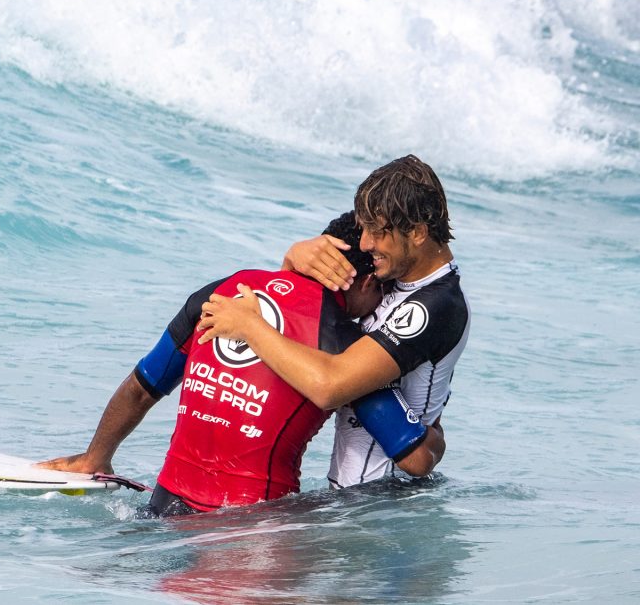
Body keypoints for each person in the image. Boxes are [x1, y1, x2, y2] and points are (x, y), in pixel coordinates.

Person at [41, 210, 442, 515]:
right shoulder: (344, 349)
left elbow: (142, 386)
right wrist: (432, 414)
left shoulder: (223, 291)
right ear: (368, 281)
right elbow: (416, 458)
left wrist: (95, 458)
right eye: (385, 291)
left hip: (163, 507)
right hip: (250, 528)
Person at [200, 155, 470, 488]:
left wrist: (249, 326)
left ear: (417, 233)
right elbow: (315, 320)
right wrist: (293, 259)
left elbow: (330, 386)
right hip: (355, 497)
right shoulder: (394, 279)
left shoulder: (434, 307)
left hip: (383, 501)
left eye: (376, 231)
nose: (365, 243)